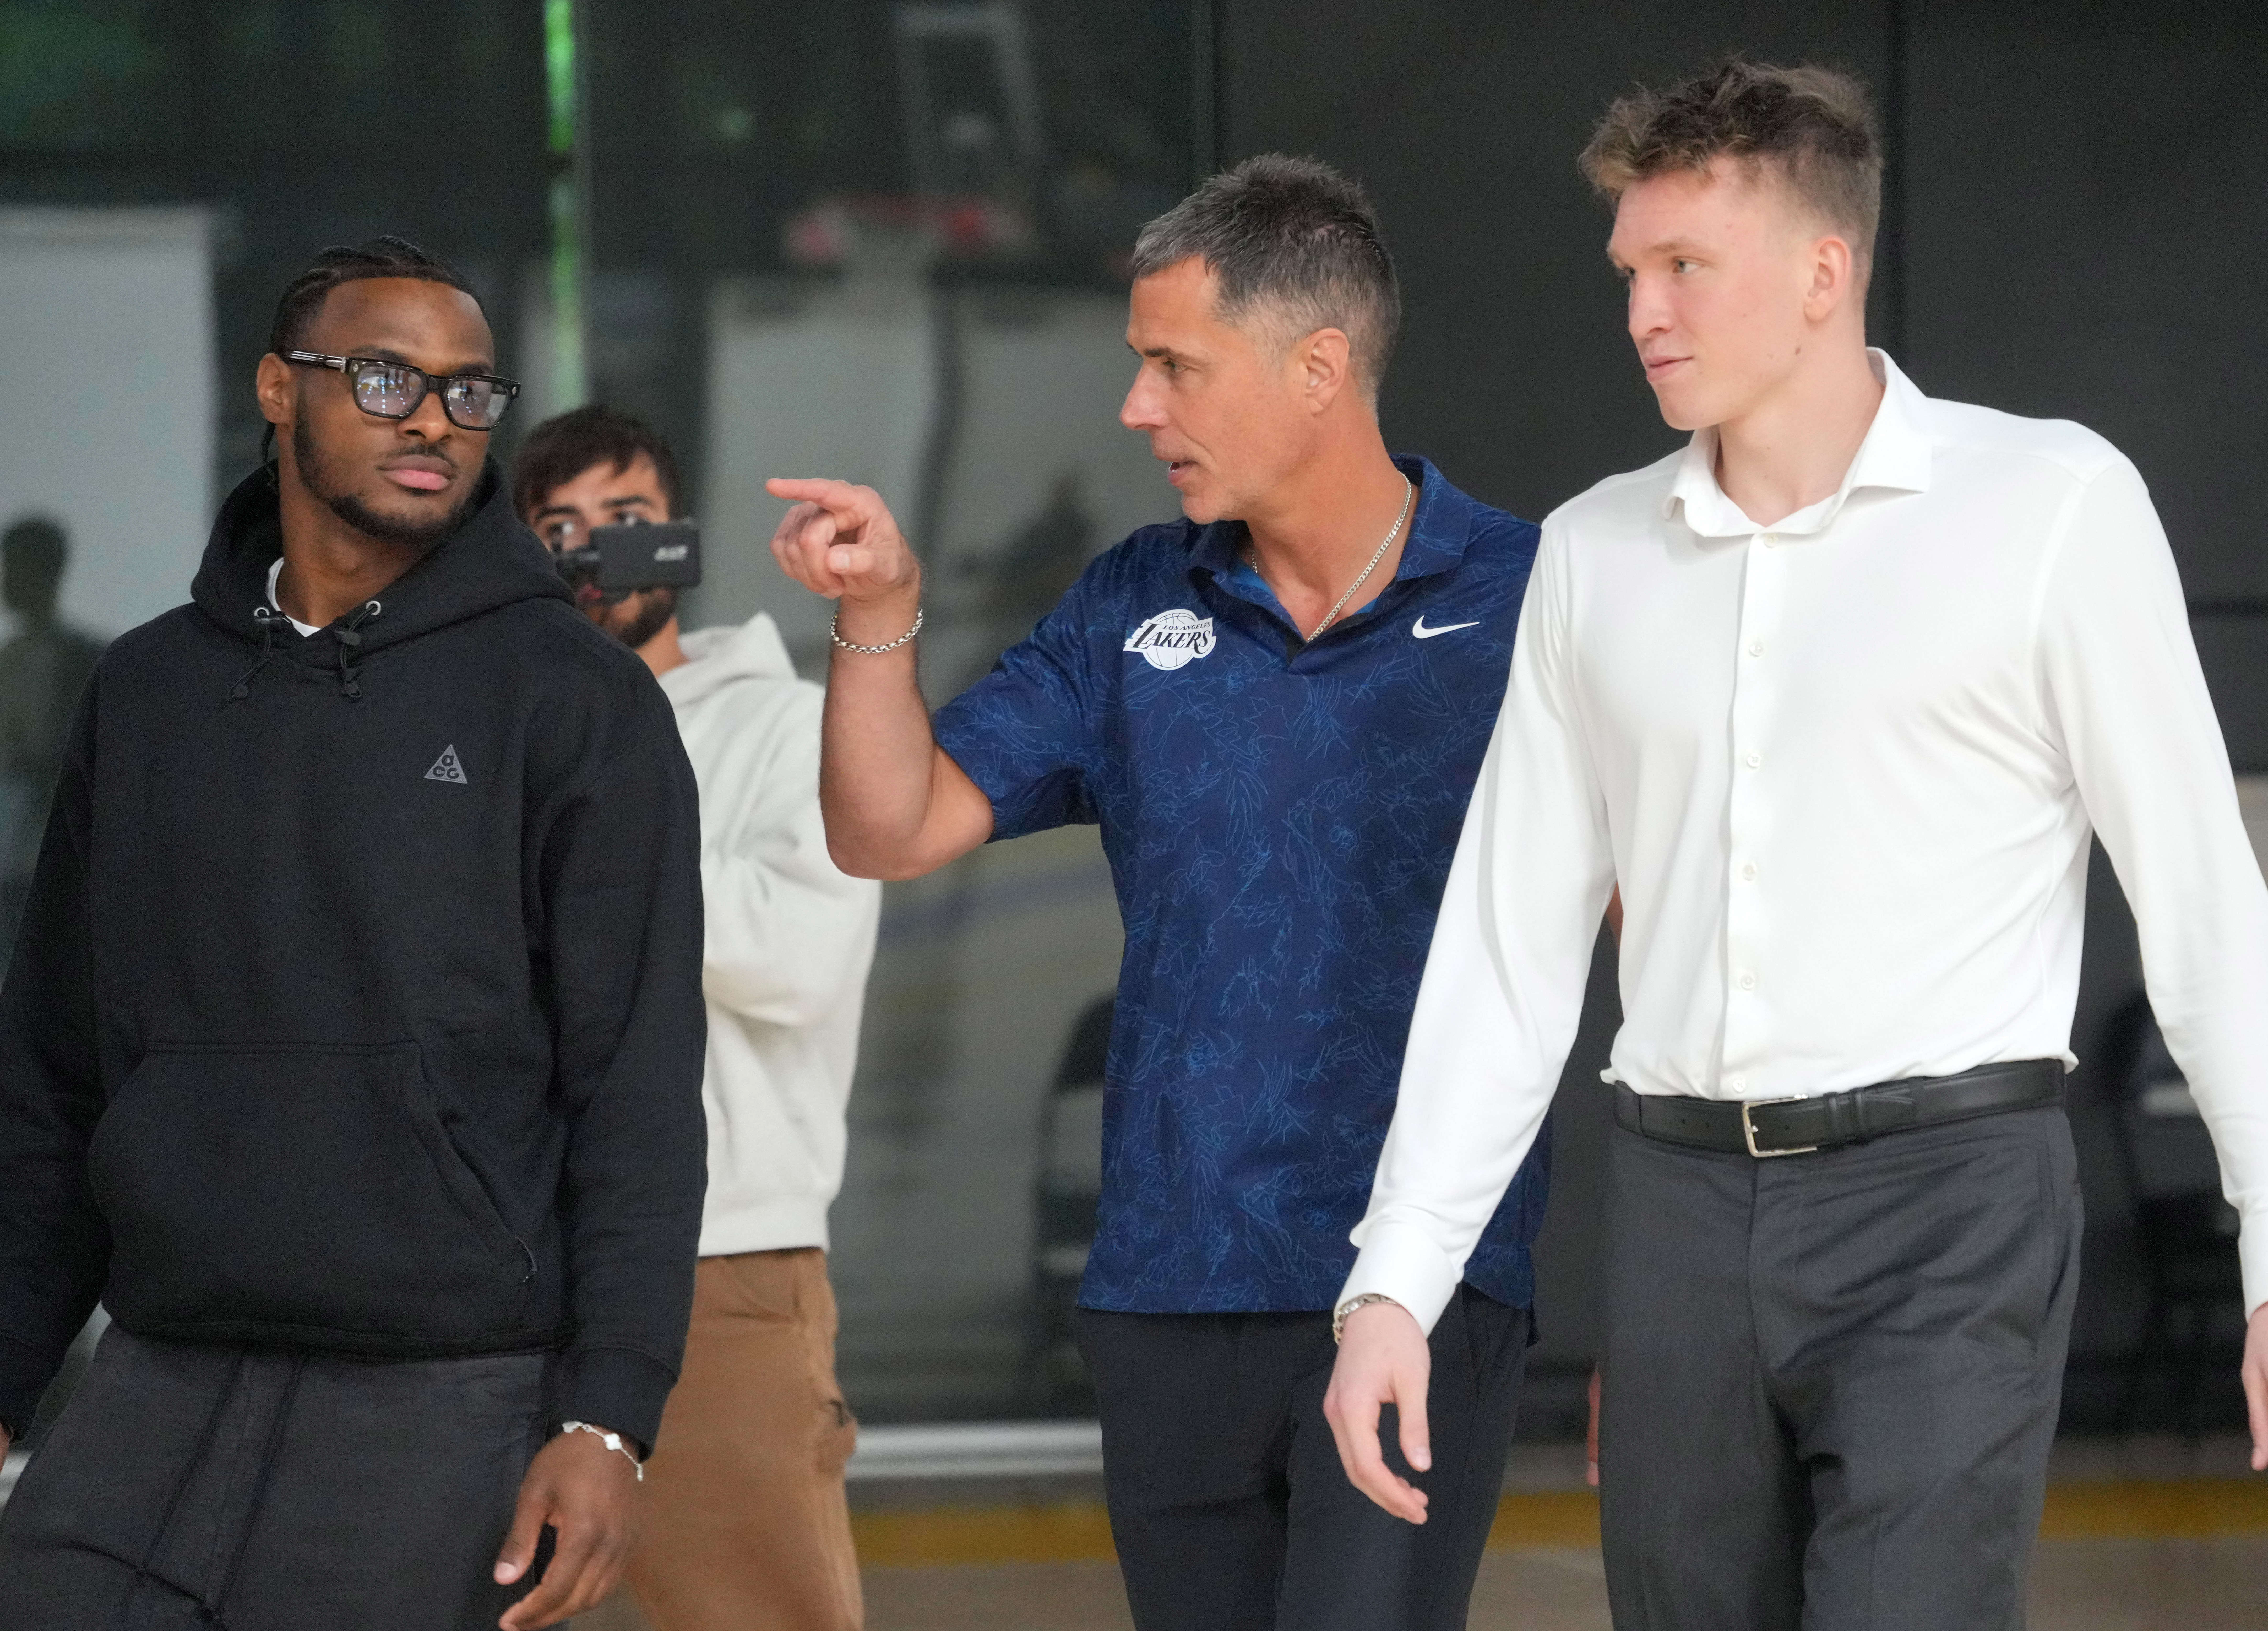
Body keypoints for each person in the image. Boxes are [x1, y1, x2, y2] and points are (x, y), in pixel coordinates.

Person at [1324, 61, 2268, 1630]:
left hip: (1950, 1202)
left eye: (1686, 266)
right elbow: (1508, 946)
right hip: (1676, 1209)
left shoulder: (2049, 508)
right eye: (1630, 270)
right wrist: (1392, 1278)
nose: (1643, 312)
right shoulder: (1592, 555)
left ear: (1823, 272)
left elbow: (2197, 900)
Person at [765, 156, 1551, 1631]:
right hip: (1164, 1285)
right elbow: (890, 825)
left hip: (1416, 1276)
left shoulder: (1533, 595)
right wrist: (875, 620)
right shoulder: (1131, 602)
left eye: (1173, 368)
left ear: (1318, 367)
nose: (1137, 408)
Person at [0, 237, 708, 1631]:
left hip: (441, 1399)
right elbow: (55, 1075)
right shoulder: (150, 692)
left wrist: (610, 1417)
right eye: (384, 378)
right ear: (279, 388)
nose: (433, 420)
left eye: (467, 391)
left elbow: (634, 1085)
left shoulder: (572, 701)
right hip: (155, 1373)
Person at [513, 405, 881, 1631]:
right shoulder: (496, 741)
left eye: (624, 521)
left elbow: (796, 958)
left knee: (749, 1611)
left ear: (675, 538)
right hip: (513, 1260)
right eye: (557, 528)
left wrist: (597, 848)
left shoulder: (793, 725)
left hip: (724, 1258)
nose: (593, 551)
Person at [0, 516, 104, 951]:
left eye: (16, 567)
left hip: (51, 844)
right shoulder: (10, 659)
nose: (8, 581)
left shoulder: (87, 659)